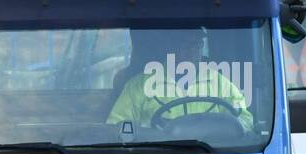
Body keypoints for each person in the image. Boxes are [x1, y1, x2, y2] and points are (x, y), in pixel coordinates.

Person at [106, 28, 251, 134]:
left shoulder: (221, 83)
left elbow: (245, 120)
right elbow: (116, 127)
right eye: (185, 45)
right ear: (170, 48)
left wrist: (225, 130)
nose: (192, 51)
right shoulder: (140, 85)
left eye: (197, 45)